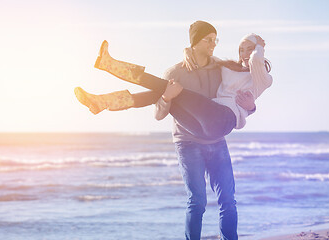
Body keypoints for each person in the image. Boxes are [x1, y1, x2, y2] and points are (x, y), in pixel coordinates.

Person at [75, 20, 273, 240]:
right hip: (189, 139)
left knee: (227, 199)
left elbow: (247, 87)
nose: (213, 45)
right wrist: (167, 97)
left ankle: (107, 84)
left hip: (215, 135)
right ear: (195, 43)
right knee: (196, 201)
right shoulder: (177, 71)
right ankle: (104, 95)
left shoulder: (220, 67)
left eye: (215, 40)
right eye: (208, 40)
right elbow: (159, 114)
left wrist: (251, 106)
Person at [74, 32, 272, 141]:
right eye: (242, 49)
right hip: (202, 128)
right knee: (163, 92)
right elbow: (205, 58)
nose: (246, 53)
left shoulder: (262, 77)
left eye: (250, 49)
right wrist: (188, 52)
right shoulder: (228, 66)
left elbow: (256, 61)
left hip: (223, 119)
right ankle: (102, 102)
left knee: (165, 86)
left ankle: (110, 65)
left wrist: (259, 46)